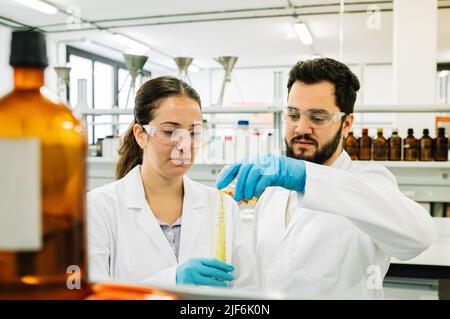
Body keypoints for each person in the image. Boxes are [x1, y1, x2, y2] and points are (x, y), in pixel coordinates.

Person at [217, 58, 436, 299]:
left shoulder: (368, 181)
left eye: (317, 118)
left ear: (346, 124)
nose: (301, 128)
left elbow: (419, 237)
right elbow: (260, 279)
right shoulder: (273, 191)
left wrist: (304, 179)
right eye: (293, 115)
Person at [87, 76, 254, 289]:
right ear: (141, 135)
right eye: (169, 132)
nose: (185, 144)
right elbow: (88, 293)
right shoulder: (98, 208)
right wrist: (169, 282)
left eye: (194, 133)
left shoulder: (222, 207)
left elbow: (247, 291)